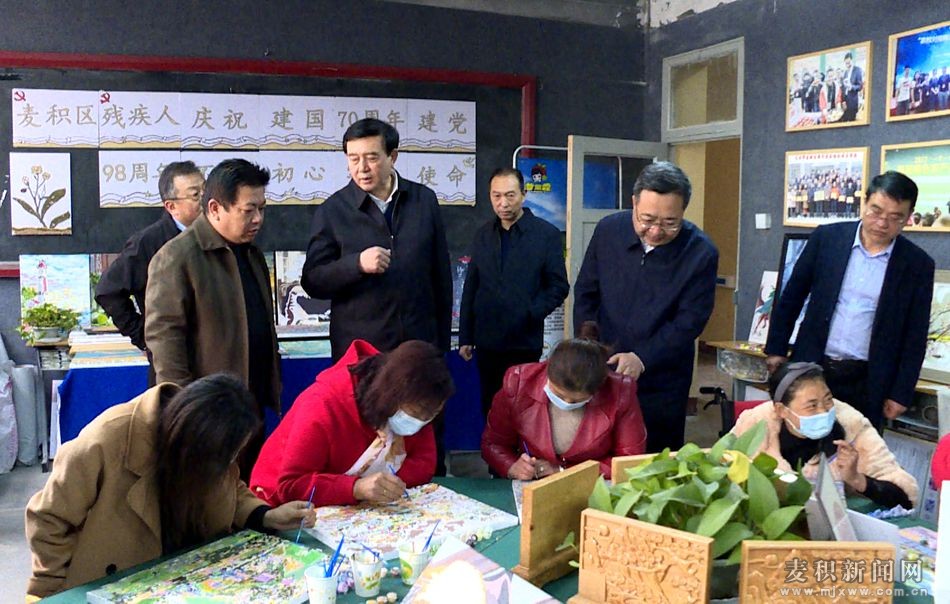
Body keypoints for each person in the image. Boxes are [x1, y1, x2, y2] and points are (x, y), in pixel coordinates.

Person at [25, 375, 315, 599]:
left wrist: (265, 515)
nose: (229, 464)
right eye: (225, 458)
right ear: (196, 447)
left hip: (186, 574)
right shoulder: (107, 441)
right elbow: (48, 518)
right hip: (115, 580)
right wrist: (56, 592)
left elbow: (230, 486)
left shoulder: (211, 446)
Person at [765, 171, 934, 429]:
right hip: (812, 366)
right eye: (876, 211)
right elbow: (792, 296)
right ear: (864, 203)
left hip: (868, 378)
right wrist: (776, 347)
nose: (882, 223)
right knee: (798, 439)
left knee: (857, 446)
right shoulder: (827, 239)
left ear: (908, 216)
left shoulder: (917, 264)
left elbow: (915, 334)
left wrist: (901, 392)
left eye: (895, 217)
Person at [145, 159, 279, 479]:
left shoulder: (252, 254)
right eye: (248, 210)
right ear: (216, 208)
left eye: (262, 209)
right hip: (208, 413)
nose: (258, 219)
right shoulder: (177, 257)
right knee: (209, 493)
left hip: (249, 404)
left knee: (247, 490)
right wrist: (187, 409)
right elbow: (165, 340)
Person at [573, 161, 718, 452]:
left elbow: (689, 321)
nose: (655, 231)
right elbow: (587, 291)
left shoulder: (700, 252)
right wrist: (589, 346)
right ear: (634, 202)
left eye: (670, 223)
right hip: (604, 369)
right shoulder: (609, 230)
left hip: (662, 378)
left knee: (653, 454)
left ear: (683, 211)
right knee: (598, 449)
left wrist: (642, 358)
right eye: (647, 219)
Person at [301, 117, 452, 361]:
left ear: (393, 156)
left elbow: (441, 275)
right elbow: (313, 280)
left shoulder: (423, 200)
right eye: (353, 159)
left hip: (418, 349)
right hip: (361, 354)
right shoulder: (332, 211)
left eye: (371, 158)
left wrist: (440, 346)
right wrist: (356, 264)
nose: (362, 168)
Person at [250, 339, 454, 507]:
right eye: (416, 413)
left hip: (349, 510)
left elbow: (424, 463)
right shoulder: (323, 404)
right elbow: (291, 485)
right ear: (393, 396)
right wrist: (355, 488)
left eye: (431, 416)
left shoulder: (420, 399)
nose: (420, 422)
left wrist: (387, 486)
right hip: (277, 507)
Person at [459, 167, 569, 418]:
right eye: (496, 196)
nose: (503, 203)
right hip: (487, 340)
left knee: (523, 409)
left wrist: (530, 313)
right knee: (491, 407)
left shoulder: (546, 235)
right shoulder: (483, 234)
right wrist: (466, 335)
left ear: (524, 194)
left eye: (510, 195)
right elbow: (472, 285)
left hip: (523, 341)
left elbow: (559, 286)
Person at [732, 362, 917, 510]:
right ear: (782, 410)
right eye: (812, 406)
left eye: (828, 400)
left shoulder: (853, 427)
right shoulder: (756, 425)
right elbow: (725, 471)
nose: (824, 411)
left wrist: (856, 478)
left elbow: (906, 499)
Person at [481, 324, 646, 480]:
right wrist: (512, 466)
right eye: (558, 394)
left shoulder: (620, 391)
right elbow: (493, 444)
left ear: (597, 389)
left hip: (593, 485)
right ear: (547, 372)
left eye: (577, 400)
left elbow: (629, 461)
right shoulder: (519, 382)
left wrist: (563, 471)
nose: (567, 403)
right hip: (531, 482)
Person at [94, 161, 205, 382]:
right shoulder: (149, 242)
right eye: (195, 195)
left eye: (206, 191)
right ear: (171, 206)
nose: (205, 200)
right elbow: (108, 291)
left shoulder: (216, 236)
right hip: (173, 362)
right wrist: (143, 337)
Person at [841, 51, 864, 122]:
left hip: (853, 100)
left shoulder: (857, 70)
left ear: (852, 60)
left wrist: (852, 87)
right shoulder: (845, 72)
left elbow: (860, 86)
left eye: (848, 62)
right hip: (845, 100)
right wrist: (843, 101)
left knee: (851, 120)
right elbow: (843, 88)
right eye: (846, 63)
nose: (847, 64)